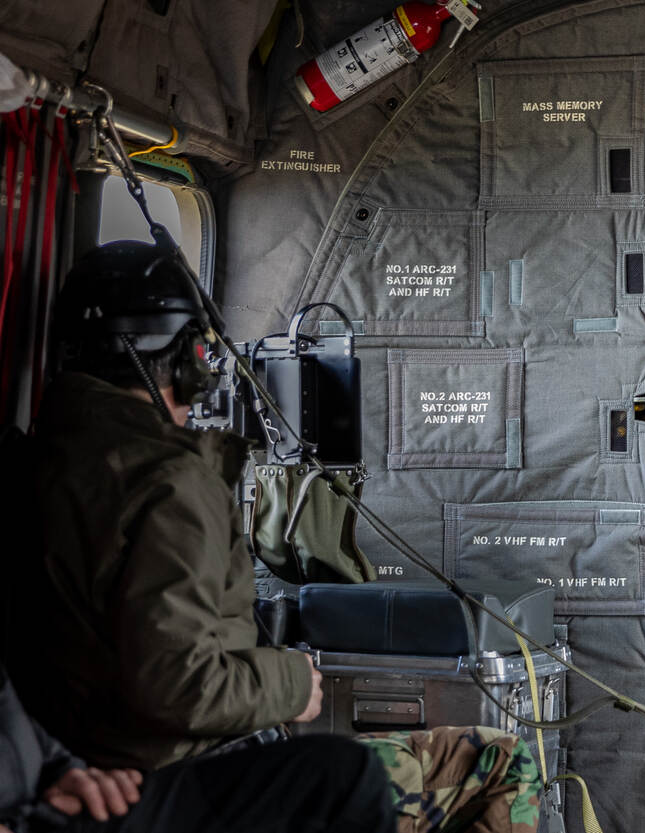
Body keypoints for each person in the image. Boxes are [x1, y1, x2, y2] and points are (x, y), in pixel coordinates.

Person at [9, 240, 321, 769]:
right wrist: (294, 684)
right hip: (172, 766)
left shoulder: (37, 455)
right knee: (461, 757)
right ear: (187, 361)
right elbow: (178, 688)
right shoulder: (172, 483)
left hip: (75, 751)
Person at [1, 661, 397, 833]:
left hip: (53, 802)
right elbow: (172, 678)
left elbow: (17, 726)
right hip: (42, 818)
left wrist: (67, 772)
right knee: (345, 780)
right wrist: (292, 684)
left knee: (339, 772)